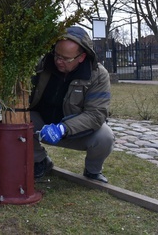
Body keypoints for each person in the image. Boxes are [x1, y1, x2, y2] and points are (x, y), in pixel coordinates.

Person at [29, 26, 114, 183]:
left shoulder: (98, 75)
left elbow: (96, 114)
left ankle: (92, 170)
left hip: (77, 130)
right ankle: (40, 160)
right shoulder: (43, 65)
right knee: (20, 120)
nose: (58, 61)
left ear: (81, 57)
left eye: (65, 59)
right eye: (57, 55)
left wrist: (63, 128)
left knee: (105, 137)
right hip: (42, 124)